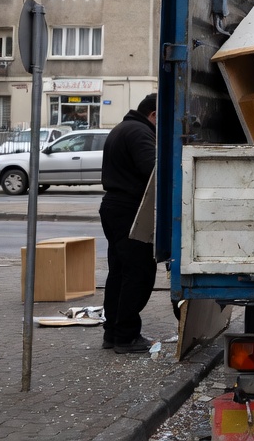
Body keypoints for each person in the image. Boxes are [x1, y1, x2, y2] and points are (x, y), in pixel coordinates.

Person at [99, 93, 158, 354]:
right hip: (129, 210)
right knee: (139, 274)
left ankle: (112, 333)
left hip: (115, 208)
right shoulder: (139, 132)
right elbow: (154, 170)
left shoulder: (124, 127)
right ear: (154, 115)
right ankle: (126, 336)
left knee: (119, 274)